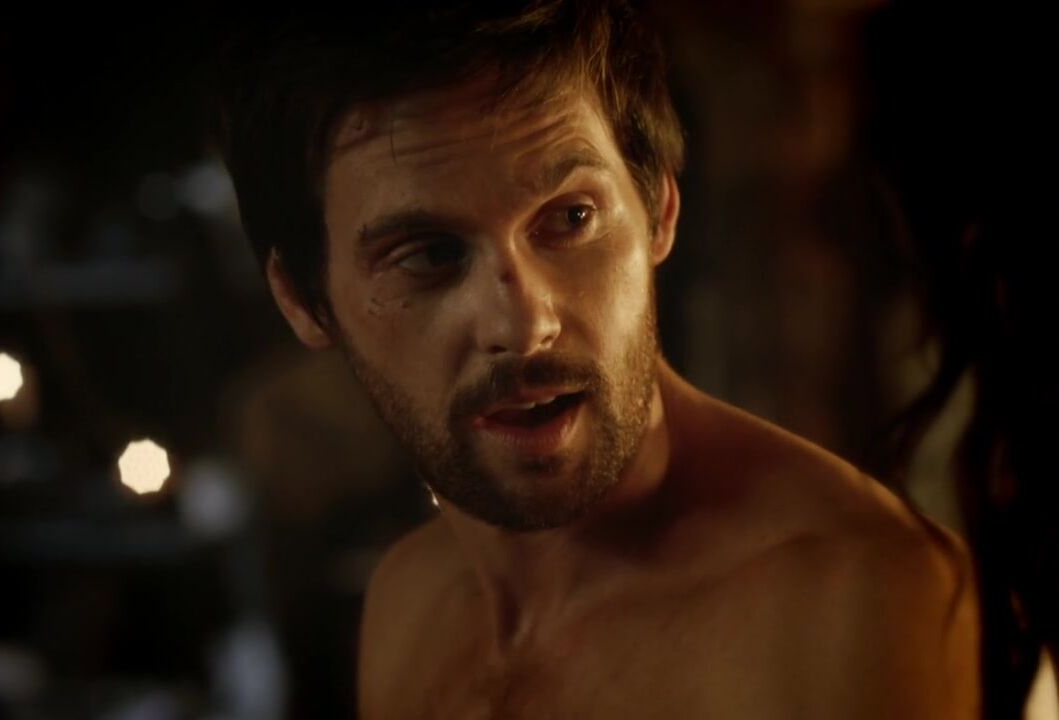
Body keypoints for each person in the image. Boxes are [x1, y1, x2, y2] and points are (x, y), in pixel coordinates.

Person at [214, 2, 979, 716]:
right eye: (428, 255)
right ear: (303, 301)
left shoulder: (852, 602)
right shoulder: (407, 600)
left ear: (658, 211)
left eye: (571, 217)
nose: (525, 325)